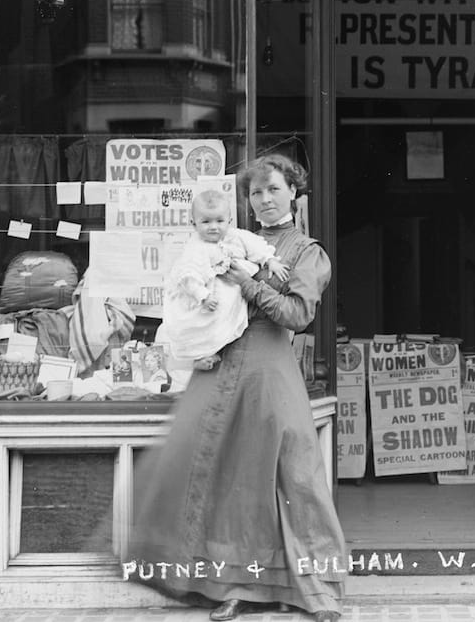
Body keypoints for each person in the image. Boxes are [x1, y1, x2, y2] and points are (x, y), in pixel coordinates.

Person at [126, 154, 345, 622]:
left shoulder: (305, 250)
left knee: (292, 470)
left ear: (293, 192)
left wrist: (248, 283)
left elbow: (298, 316)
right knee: (226, 474)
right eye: (256, 193)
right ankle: (233, 586)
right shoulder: (220, 237)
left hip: (268, 365)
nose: (265, 200)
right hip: (219, 362)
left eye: (274, 190)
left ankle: (314, 587)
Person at [157, 188, 288, 372]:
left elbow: (255, 246)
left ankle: (213, 351)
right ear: (194, 224)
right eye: (206, 222)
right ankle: (199, 357)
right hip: (206, 293)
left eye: (219, 221)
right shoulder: (195, 247)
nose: (213, 227)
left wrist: (270, 260)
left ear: (229, 221)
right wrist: (203, 296)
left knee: (224, 322)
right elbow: (188, 275)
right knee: (199, 323)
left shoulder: (237, 236)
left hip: (231, 288)